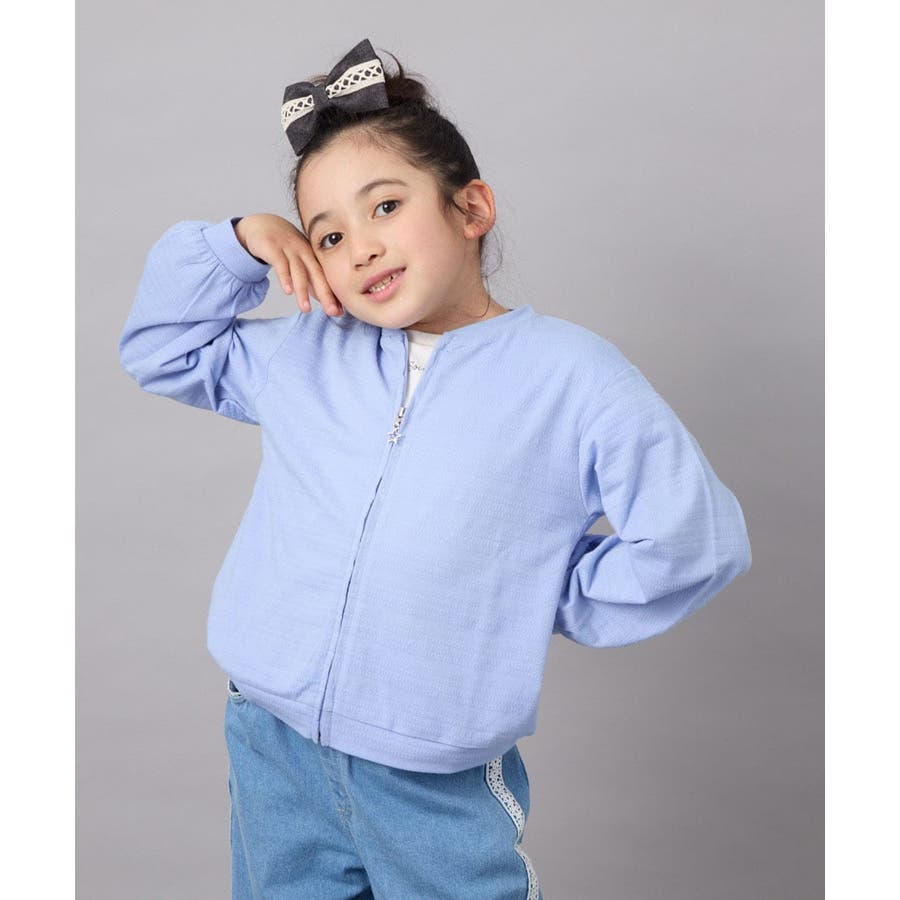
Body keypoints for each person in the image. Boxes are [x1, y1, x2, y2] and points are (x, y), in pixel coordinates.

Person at [118, 37, 752, 900]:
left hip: (429, 777)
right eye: (329, 234)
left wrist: (533, 588)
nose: (361, 247)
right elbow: (163, 351)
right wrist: (238, 243)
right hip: (271, 741)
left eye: (385, 206)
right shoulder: (309, 351)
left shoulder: (575, 379)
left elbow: (693, 542)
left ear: (471, 208)